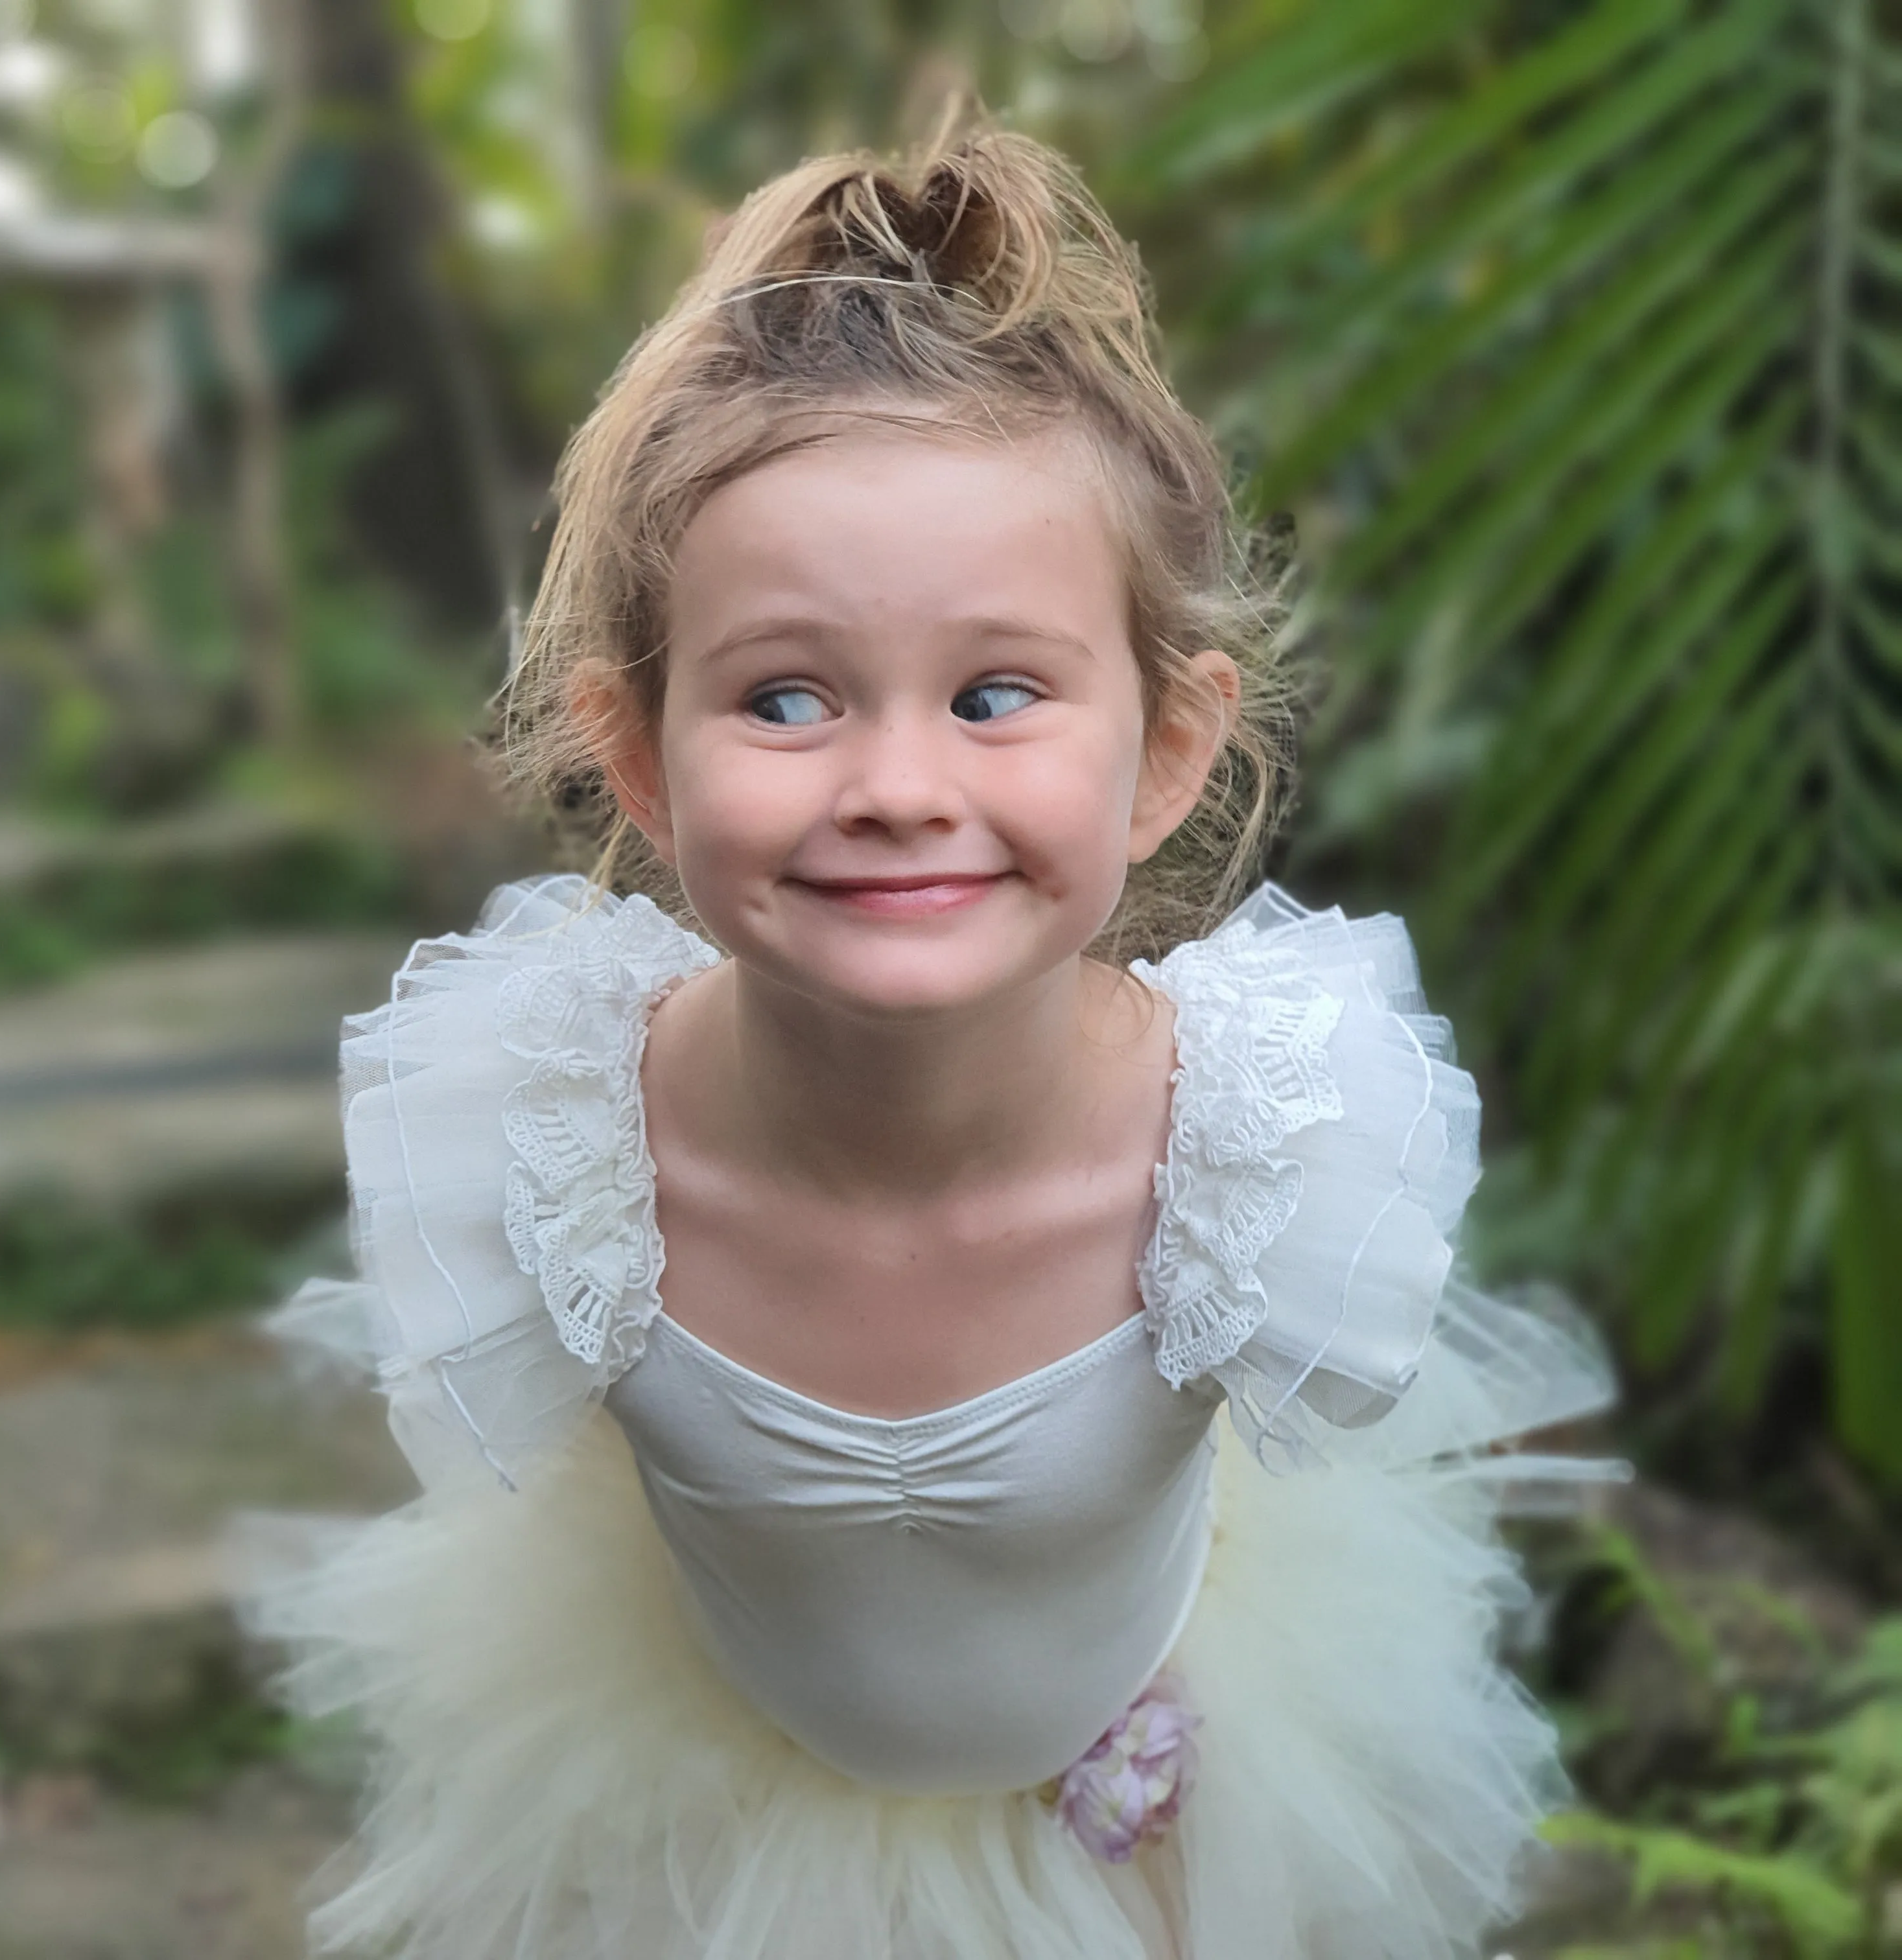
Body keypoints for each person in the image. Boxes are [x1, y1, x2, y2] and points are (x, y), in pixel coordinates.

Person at [249, 121, 1619, 1960]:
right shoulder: (546, 1134)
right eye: (788, 697)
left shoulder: (1265, 1151)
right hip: (700, 1827)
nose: (899, 788)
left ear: (1172, 753)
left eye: (995, 696)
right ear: (643, 755)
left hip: (1157, 1826)